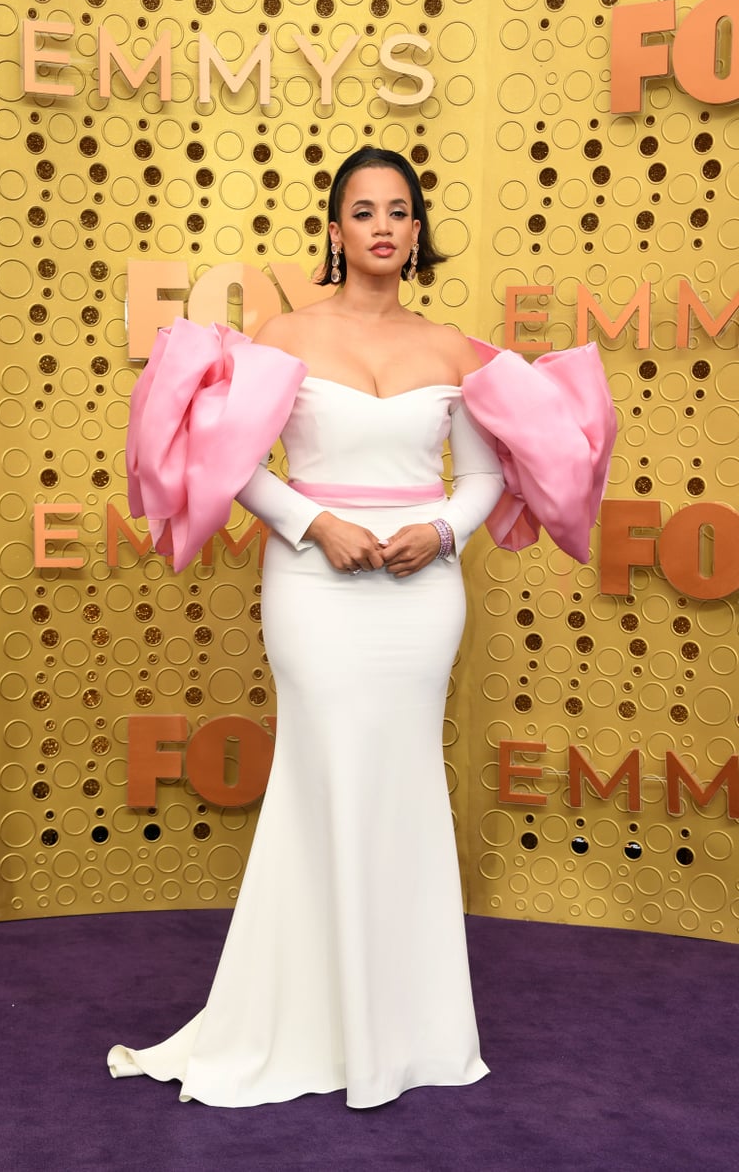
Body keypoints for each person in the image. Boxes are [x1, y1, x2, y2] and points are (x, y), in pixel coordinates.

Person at [110, 147, 614, 1108]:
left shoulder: (455, 350)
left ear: (415, 232)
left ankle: (411, 1032)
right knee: (324, 780)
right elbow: (232, 460)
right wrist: (313, 523)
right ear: (335, 231)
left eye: (398, 211)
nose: (382, 225)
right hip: (313, 590)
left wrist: (440, 531)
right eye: (362, 211)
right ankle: (312, 1025)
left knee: (405, 786)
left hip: (422, 603)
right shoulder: (284, 334)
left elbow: (482, 476)